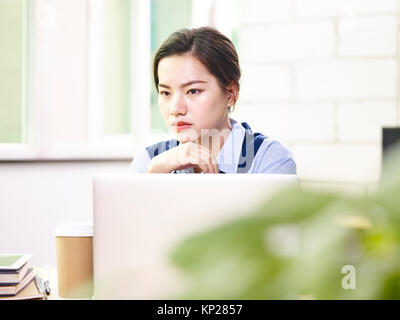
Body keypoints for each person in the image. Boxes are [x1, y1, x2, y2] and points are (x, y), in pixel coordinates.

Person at [130, 26, 296, 174]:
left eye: (193, 91)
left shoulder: (269, 160)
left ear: (230, 94)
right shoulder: (148, 162)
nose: (175, 109)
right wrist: (155, 174)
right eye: (166, 93)